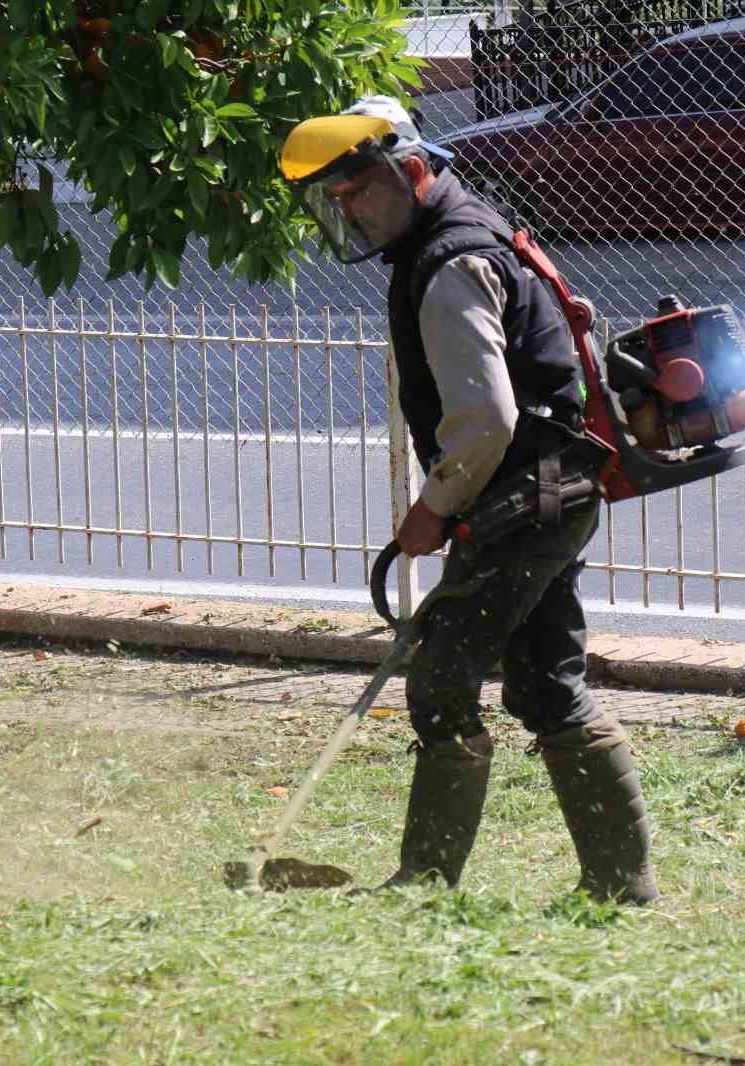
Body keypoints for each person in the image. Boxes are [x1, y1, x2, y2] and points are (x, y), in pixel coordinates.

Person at [279, 97, 659, 903]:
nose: (345, 212)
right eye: (335, 199)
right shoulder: (471, 228)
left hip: (525, 497)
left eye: (356, 192)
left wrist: (433, 507)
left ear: (411, 173)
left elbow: (486, 417)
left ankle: (424, 884)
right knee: (546, 686)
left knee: (442, 682)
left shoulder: (450, 262)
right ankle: (623, 890)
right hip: (554, 490)